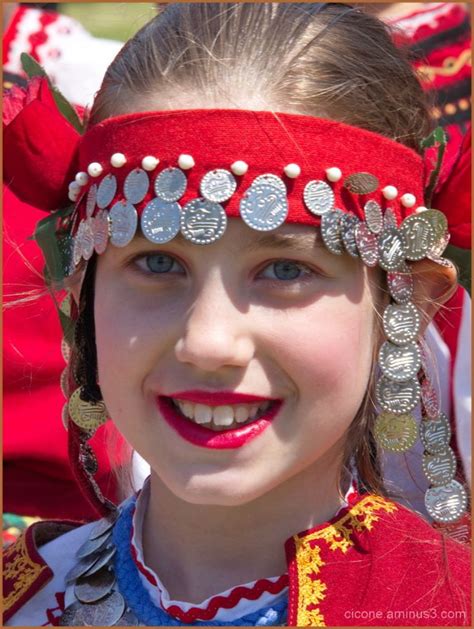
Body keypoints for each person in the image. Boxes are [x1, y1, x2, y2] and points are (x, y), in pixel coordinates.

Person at [3, 3, 471, 626]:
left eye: (286, 270)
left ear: (404, 302)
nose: (208, 341)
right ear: (84, 286)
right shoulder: (25, 600)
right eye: (158, 263)